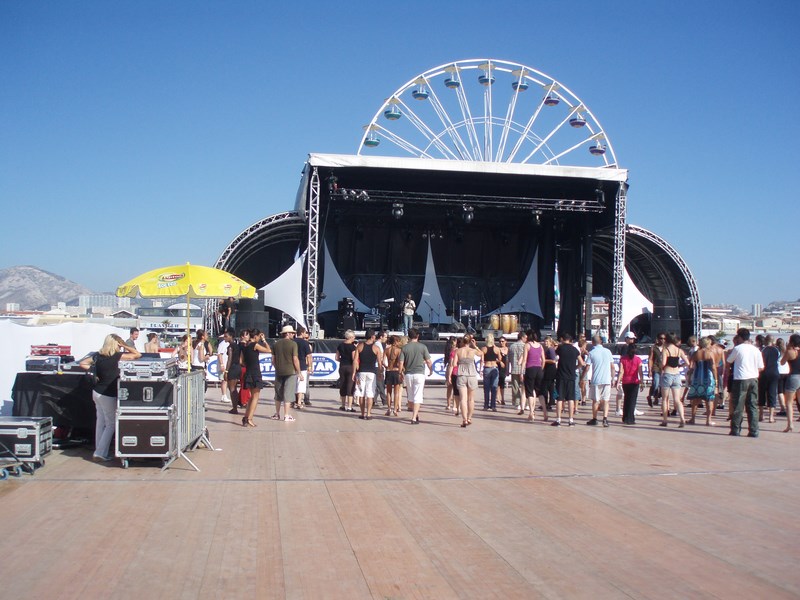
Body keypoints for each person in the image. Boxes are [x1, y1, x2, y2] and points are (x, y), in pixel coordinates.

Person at [79, 334, 141, 461]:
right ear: (116, 344)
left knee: (100, 422)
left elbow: (82, 363)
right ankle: (100, 453)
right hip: (108, 393)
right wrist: (124, 345)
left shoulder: (97, 356)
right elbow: (137, 354)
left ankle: (99, 450)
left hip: (96, 392)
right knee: (111, 424)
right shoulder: (117, 357)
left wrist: (93, 370)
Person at [726, 327, 764, 437]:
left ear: (740, 337)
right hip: (753, 379)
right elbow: (761, 367)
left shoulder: (738, 349)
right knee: (752, 405)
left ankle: (735, 429)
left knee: (738, 405)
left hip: (740, 379)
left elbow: (729, 362)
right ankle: (754, 430)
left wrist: (730, 371)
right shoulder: (756, 350)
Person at [399, 328, 432, 424]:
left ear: (409, 336)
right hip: (419, 373)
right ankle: (414, 417)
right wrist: (431, 370)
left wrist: (400, 373)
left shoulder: (404, 348)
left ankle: (415, 413)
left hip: (408, 374)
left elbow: (401, 362)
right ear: (417, 336)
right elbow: (429, 361)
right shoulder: (423, 347)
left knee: (411, 395)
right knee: (418, 395)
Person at [241, 328, 271, 427]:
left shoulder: (244, 346)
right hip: (255, 373)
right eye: (259, 336)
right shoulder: (255, 345)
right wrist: (264, 340)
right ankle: (249, 418)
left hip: (248, 372)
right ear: (255, 336)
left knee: (251, 397)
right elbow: (268, 350)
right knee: (255, 397)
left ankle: (246, 417)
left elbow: (241, 361)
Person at [552, 333, 584, 427]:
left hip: (561, 376)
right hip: (571, 377)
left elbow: (555, 358)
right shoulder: (575, 350)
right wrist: (575, 368)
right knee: (570, 398)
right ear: (571, 340)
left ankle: (558, 420)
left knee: (559, 398)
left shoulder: (560, 348)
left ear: (563, 339)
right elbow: (582, 363)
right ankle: (570, 420)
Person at [272, 325, 302, 422]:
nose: (294, 334)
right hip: (290, 372)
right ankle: (286, 415)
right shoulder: (293, 344)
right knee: (288, 393)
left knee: (278, 393)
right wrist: (299, 372)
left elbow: (273, 360)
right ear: (288, 334)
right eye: (292, 333)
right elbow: (295, 359)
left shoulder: (276, 344)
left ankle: (277, 414)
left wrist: (277, 367)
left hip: (279, 371)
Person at [686, 337, 718, 426]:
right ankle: (708, 420)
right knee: (709, 399)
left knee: (695, 399)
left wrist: (689, 377)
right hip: (708, 376)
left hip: (697, 376)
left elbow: (691, 366)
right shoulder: (710, 353)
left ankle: (693, 418)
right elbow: (713, 367)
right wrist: (716, 380)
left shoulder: (696, 353)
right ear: (707, 344)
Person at [585, 335, 614, 427]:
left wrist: (582, 377)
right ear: (601, 342)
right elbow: (612, 366)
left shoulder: (592, 352)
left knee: (595, 401)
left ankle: (595, 419)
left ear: (592, 342)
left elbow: (587, 367)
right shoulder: (608, 351)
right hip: (606, 379)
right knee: (606, 400)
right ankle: (605, 419)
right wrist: (613, 378)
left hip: (596, 380)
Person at [659, 332, 688, 427]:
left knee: (665, 399)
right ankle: (682, 418)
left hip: (667, 373)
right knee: (677, 400)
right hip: (676, 375)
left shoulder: (665, 350)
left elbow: (663, 363)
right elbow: (688, 362)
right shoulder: (679, 350)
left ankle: (665, 420)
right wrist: (680, 365)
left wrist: (661, 368)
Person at [352, 329, 382, 420]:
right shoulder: (376, 348)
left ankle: (362, 413)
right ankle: (368, 413)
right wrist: (380, 373)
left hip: (361, 371)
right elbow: (380, 363)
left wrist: (354, 372)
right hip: (371, 372)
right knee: (370, 393)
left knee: (361, 394)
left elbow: (355, 361)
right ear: (372, 336)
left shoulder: (360, 346)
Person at [456, 334, 482, 427]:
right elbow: (481, 353)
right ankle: (469, 417)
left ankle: (464, 419)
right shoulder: (473, 350)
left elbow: (455, 363)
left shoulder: (458, 351)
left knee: (463, 399)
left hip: (461, 374)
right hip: (471, 374)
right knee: (471, 399)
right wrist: (475, 346)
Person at [521, 330, 547, 422]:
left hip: (530, 369)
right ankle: (545, 412)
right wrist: (541, 369)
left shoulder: (527, 345)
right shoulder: (540, 346)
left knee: (530, 392)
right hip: (539, 369)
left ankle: (531, 412)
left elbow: (524, 360)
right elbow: (543, 360)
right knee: (540, 392)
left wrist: (521, 372)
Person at [616, 343, 644, 425]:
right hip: (634, 382)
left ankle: (625, 417)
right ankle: (630, 418)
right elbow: (640, 371)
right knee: (632, 400)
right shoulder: (638, 359)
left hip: (625, 382)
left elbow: (621, 371)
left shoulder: (623, 359)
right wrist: (641, 381)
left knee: (626, 399)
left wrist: (618, 381)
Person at [779, 333, 800, 433]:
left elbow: (782, 362)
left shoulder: (790, 351)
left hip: (793, 376)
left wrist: (787, 349)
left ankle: (790, 424)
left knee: (789, 402)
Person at [758, 335, 780, 424]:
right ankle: (771, 417)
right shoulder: (776, 350)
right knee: (772, 393)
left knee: (762, 393)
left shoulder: (762, 350)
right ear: (773, 341)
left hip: (764, 373)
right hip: (774, 372)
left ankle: (761, 415)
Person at [335, 330, 357, 412]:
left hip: (342, 367)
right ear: (351, 337)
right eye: (354, 336)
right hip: (350, 367)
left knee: (343, 385)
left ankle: (343, 405)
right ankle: (349, 406)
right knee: (350, 386)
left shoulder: (340, 345)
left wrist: (342, 360)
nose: (354, 338)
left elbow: (336, 357)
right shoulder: (352, 347)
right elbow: (354, 359)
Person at [292, 326, 313, 409]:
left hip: (293, 365)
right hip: (302, 365)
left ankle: (293, 401)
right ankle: (299, 402)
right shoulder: (305, 343)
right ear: (302, 333)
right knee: (301, 384)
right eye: (305, 332)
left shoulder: (292, 341)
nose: (305, 334)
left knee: (293, 384)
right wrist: (310, 366)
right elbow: (309, 356)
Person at [481, 333, 502, 411]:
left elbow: (482, 360)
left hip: (487, 367)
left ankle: (486, 405)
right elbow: (500, 359)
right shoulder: (497, 349)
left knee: (486, 388)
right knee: (494, 387)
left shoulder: (484, 349)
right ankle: (493, 406)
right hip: (494, 368)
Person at [224, 328, 243, 414]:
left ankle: (234, 408)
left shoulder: (230, 347)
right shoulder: (237, 345)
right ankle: (235, 406)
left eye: (226, 336)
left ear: (231, 337)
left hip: (232, 368)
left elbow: (229, 359)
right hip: (238, 367)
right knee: (234, 388)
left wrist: (226, 371)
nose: (224, 338)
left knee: (232, 389)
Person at [384, 335, 403, 417]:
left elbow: (382, 361)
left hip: (389, 370)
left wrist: (386, 367)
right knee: (396, 392)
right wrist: (401, 371)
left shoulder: (386, 350)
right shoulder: (399, 350)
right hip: (396, 370)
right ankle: (395, 409)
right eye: (398, 341)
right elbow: (399, 363)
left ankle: (389, 409)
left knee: (388, 392)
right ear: (395, 341)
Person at [507, 331, 527, 412]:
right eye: (525, 338)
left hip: (514, 369)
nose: (526, 339)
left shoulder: (511, 346)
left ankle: (517, 403)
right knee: (524, 388)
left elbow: (508, 360)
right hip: (524, 369)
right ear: (522, 337)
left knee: (515, 387)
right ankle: (526, 403)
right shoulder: (525, 346)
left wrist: (507, 369)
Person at [647, 333, 665, 406]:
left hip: (664, 368)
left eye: (664, 338)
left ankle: (656, 398)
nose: (663, 340)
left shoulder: (666, 348)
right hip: (656, 367)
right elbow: (650, 359)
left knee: (662, 385)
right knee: (656, 383)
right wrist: (650, 369)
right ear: (658, 339)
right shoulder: (653, 348)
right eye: (661, 338)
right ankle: (651, 395)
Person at [217, 331, 231, 405]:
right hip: (224, 364)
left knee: (226, 380)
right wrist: (222, 364)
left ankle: (225, 395)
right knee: (224, 380)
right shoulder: (222, 344)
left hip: (226, 364)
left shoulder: (228, 344)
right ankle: (224, 395)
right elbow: (219, 354)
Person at [496, 336, 509, 405]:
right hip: (498, 367)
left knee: (502, 383)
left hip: (504, 368)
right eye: (500, 341)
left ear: (505, 342)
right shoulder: (498, 349)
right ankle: (498, 398)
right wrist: (499, 362)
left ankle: (503, 398)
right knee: (498, 383)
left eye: (502, 341)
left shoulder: (508, 349)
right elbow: (495, 358)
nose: (501, 343)